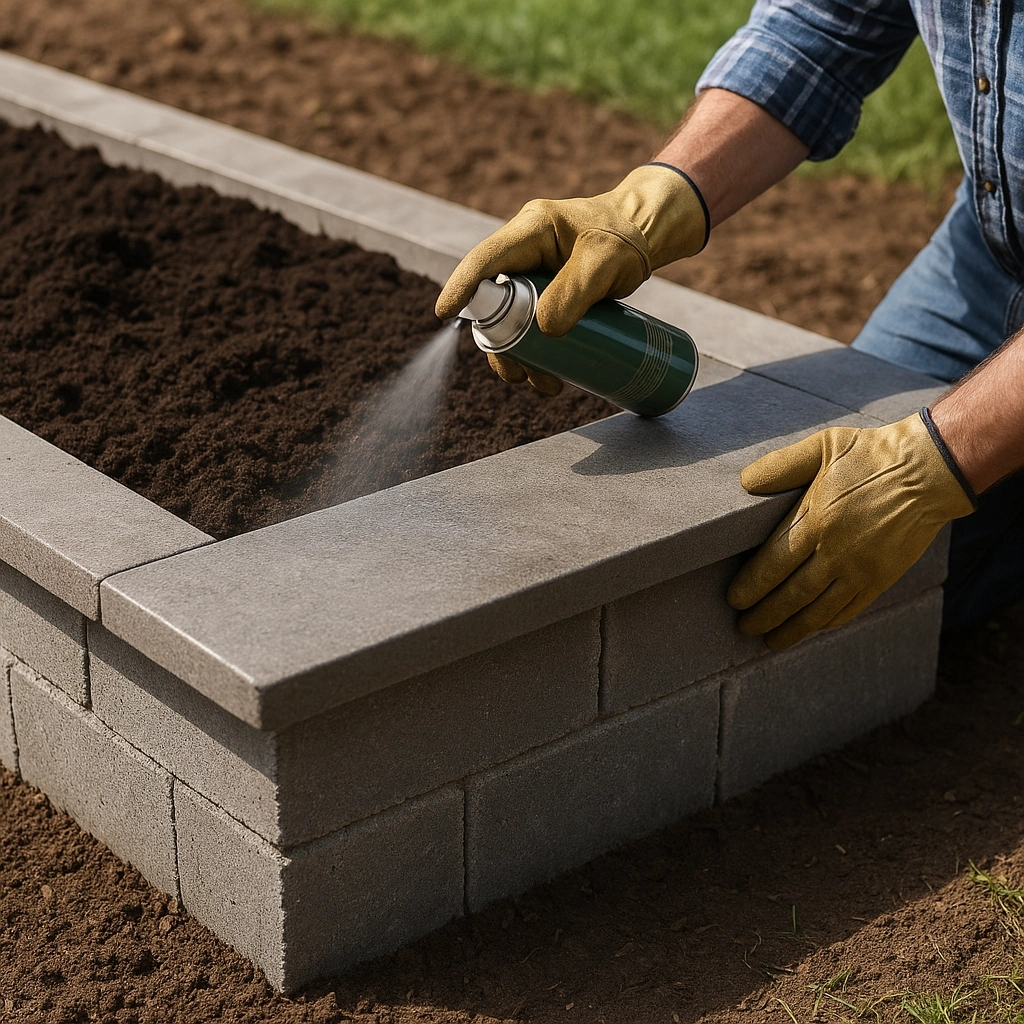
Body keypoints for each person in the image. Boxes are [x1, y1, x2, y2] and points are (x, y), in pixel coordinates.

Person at [435, 0, 1024, 650]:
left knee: (921, 568)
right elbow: (822, 28)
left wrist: (936, 466)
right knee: (842, 561)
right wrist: (655, 200)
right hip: (991, 252)